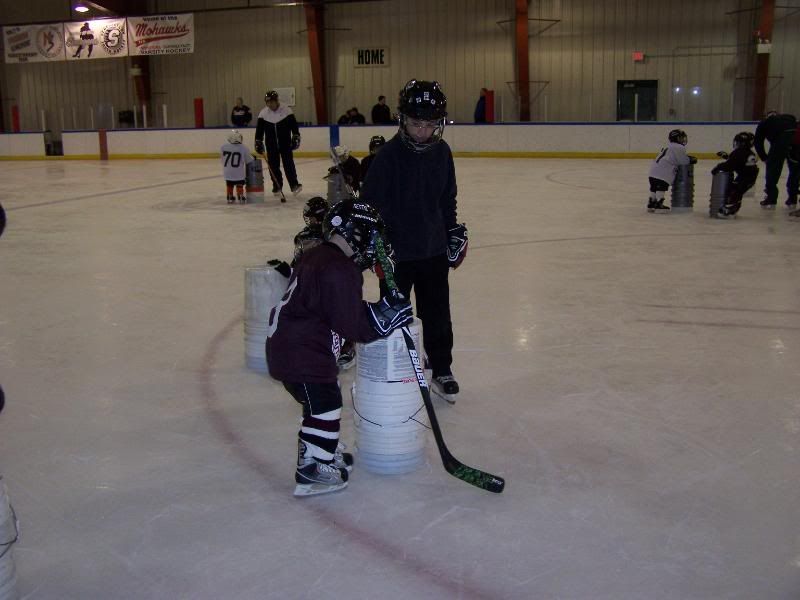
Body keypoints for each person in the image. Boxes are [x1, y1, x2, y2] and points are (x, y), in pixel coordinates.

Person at [266, 200, 413, 496]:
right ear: (354, 232)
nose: (374, 245)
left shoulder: (317, 257)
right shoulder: (339, 268)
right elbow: (350, 323)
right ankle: (314, 469)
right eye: (371, 236)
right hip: (303, 353)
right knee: (326, 405)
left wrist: (377, 312)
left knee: (318, 405)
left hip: (292, 348)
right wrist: (383, 318)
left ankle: (322, 452)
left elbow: (334, 308)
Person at [360, 79, 468, 403]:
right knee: (395, 314)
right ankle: (400, 366)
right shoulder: (388, 157)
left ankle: (441, 366)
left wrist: (451, 232)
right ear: (403, 119)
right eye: (416, 123)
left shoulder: (442, 153)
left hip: (433, 250)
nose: (423, 131)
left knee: (437, 313)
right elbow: (370, 208)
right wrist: (377, 249)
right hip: (396, 255)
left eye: (430, 124)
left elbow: (447, 199)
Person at [255, 90, 302, 196]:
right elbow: (259, 130)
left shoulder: (286, 110)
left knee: (288, 164)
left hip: (285, 143)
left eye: (272, 102)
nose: (270, 104)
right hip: (271, 145)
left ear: (276, 101)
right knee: (273, 166)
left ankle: (294, 185)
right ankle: (277, 186)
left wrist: (296, 136)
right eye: (268, 102)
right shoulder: (263, 113)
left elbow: (294, 126)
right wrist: (258, 141)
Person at [754, 111, 798, 208]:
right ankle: (792, 199)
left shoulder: (764, 123)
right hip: (796, 143)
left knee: (772, 172)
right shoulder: (790, 118)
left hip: (780, 142)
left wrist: (764, 158)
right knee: (795, 171)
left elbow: (757, 142)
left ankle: (771, 199)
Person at [646, 129, 696, 213]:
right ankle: (659, 204)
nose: (683, 139)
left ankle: (651, 203)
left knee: (654, 188)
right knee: (661, 187)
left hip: (653, 172)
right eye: (681, 137)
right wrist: (690, 159)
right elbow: (682, 161)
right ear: (677, 138)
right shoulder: (679, 147)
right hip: (662, 173)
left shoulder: (668, 146)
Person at [711, 132, 759, 218]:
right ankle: (733, 209)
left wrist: (717, 168)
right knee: (737, 191)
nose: (736, 144)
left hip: (745, 178)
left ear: (743, 143)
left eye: (738, 142)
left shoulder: (739, 153)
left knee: (734, 191)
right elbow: (738, 161)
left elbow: (730, 165)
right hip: (749, 177)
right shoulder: (748, 152)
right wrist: (727, 157)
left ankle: (730, 210)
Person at [220, 130, 254, 204]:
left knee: (229, 184)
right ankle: (240, 195)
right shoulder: (243, 148)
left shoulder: (223, 147)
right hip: (238, 172)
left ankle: (229, 195)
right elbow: (249, 160)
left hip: (227, 172)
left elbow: (222, 159)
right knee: (239, 183)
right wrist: (253, 158)